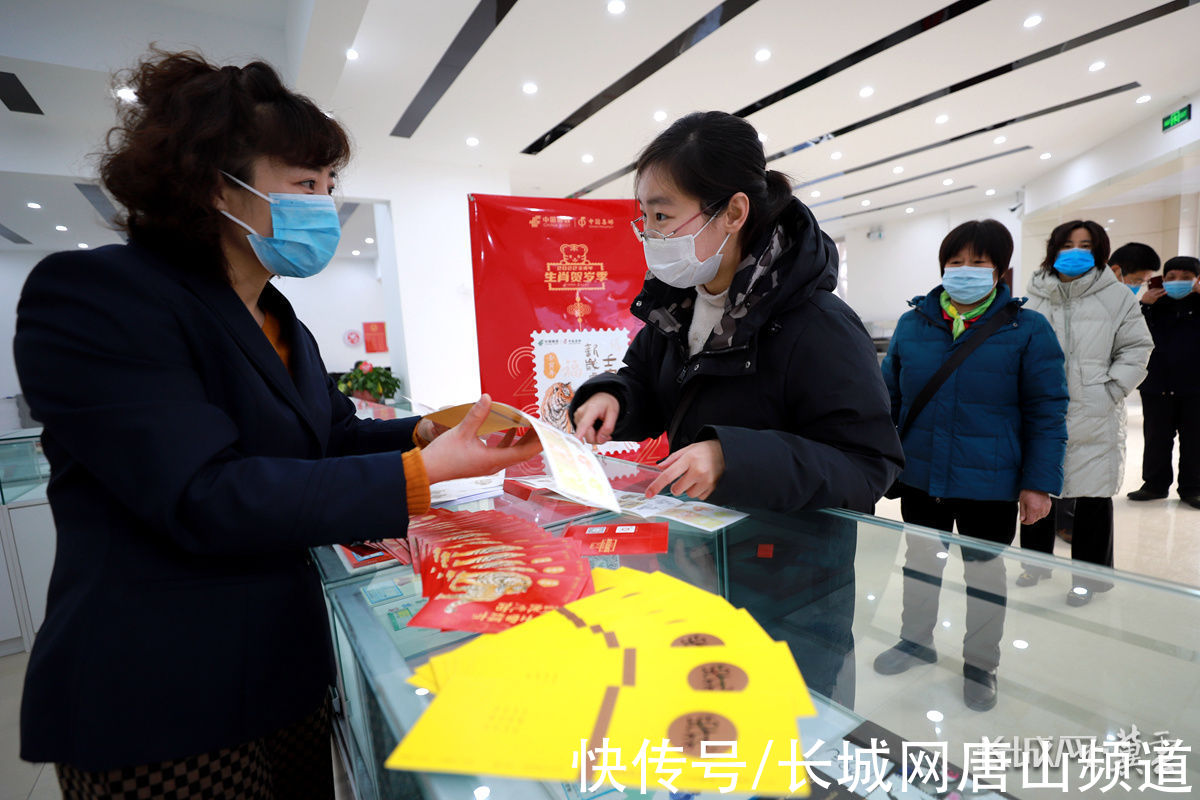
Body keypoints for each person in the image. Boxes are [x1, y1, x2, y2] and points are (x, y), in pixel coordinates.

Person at [14, 51, 540, 798]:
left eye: (329, 187)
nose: (323, 205)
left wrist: (427, 435)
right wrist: (421, 474)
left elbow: (327, 440)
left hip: (282, 672)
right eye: (303, 185)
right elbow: (201, 491)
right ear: (209, 187)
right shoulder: (99, 295)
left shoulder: (276, 315)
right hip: (161, 696)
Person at [568, 111, 904, 514]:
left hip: (788, 564)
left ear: (733, 213)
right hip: (700, 543)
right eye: (644, 217)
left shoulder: (819, 324)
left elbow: (867, 465)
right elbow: (650, 384)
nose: (649, 235)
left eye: (662, 217)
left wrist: (732, 458)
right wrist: (614, 397)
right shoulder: (678, 305)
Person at [874, 220, 1068, 711]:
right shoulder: (914, 323)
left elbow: (1047, 411)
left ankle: (982, 664)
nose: (964, 271)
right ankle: (915, 641)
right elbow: (888, 400)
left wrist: (1039, 483)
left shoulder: (1028, 329)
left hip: (990, 481)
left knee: (983, 576)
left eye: (977, 263)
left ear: (1001, 271)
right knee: (921, 566)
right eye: (955, 262)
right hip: (921, 476)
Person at [1017, 220, 1153, 605]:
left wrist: (1110, 388)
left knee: (1092, 496)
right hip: (1038, 409)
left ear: (1100, 251)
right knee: (1036, 486)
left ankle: (1089, 580)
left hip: (1094, 410)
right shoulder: (1034, 295)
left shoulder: (1117, 297)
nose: (1075, 250)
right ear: (1052, 249)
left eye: (1086, 244)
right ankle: (1035, 564)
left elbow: (1137, 348)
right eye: (1067, 243)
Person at [1127, 255, 1200, 508]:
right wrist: (1144, 306)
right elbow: (1134, 335)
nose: (1177, 282)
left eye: (1186, 278)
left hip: (1195, 388)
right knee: (1157, 438)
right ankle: (1154, 485)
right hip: (1157, 384)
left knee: (1194, 440)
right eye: (1171, 277)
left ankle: (1193, 488)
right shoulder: (1153, 305)